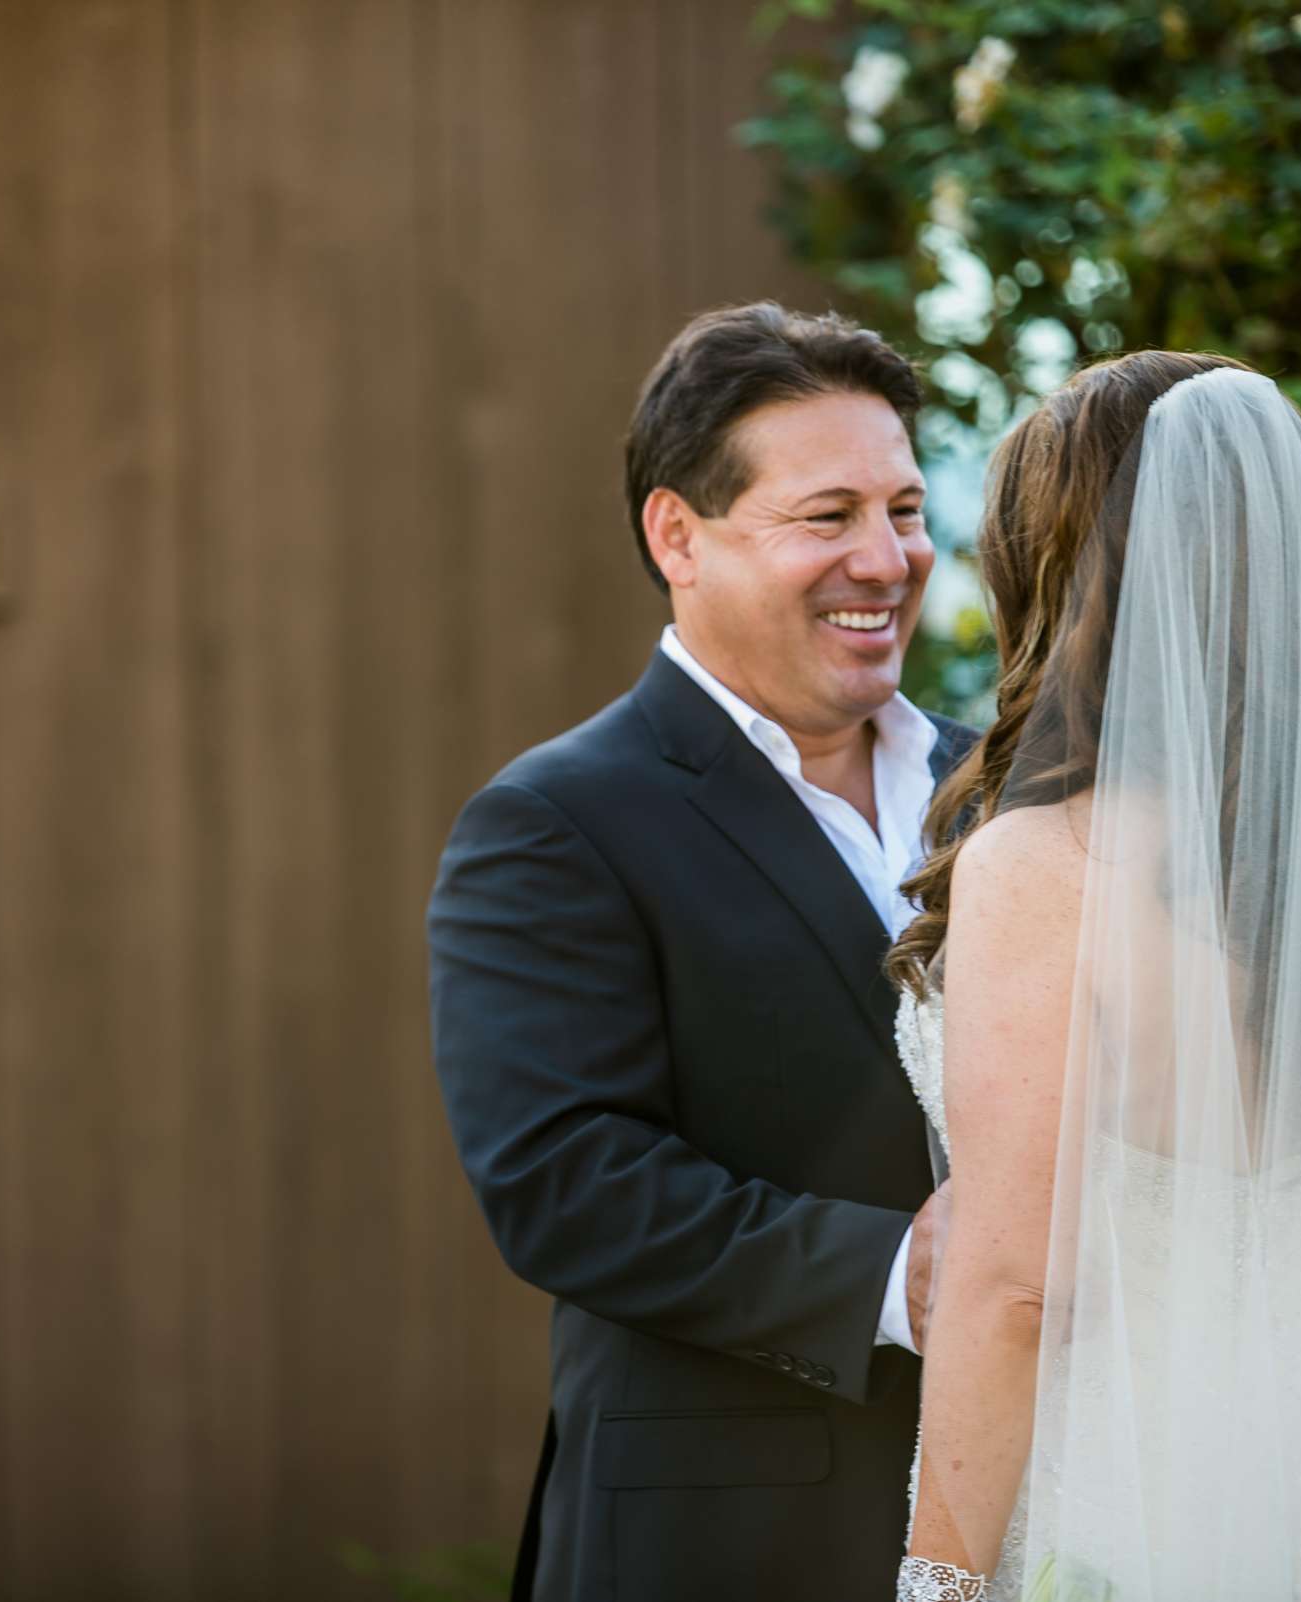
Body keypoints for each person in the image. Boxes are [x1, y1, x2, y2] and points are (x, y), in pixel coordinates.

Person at [890, 354, 1301, 1600]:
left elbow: (1015, 1289)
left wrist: (942, 1584)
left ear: (1067, 577)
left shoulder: (1044, 862)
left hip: (1120, 1504)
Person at [428, 304, 977, 1602]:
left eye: (903, 510)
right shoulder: (556, 822)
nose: (886, 558)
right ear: (678, 534)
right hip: (730, 1538)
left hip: (1033, 1509)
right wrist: (905, 1270)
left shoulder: (1002, 786)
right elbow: (565, 1179)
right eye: (826, 515)